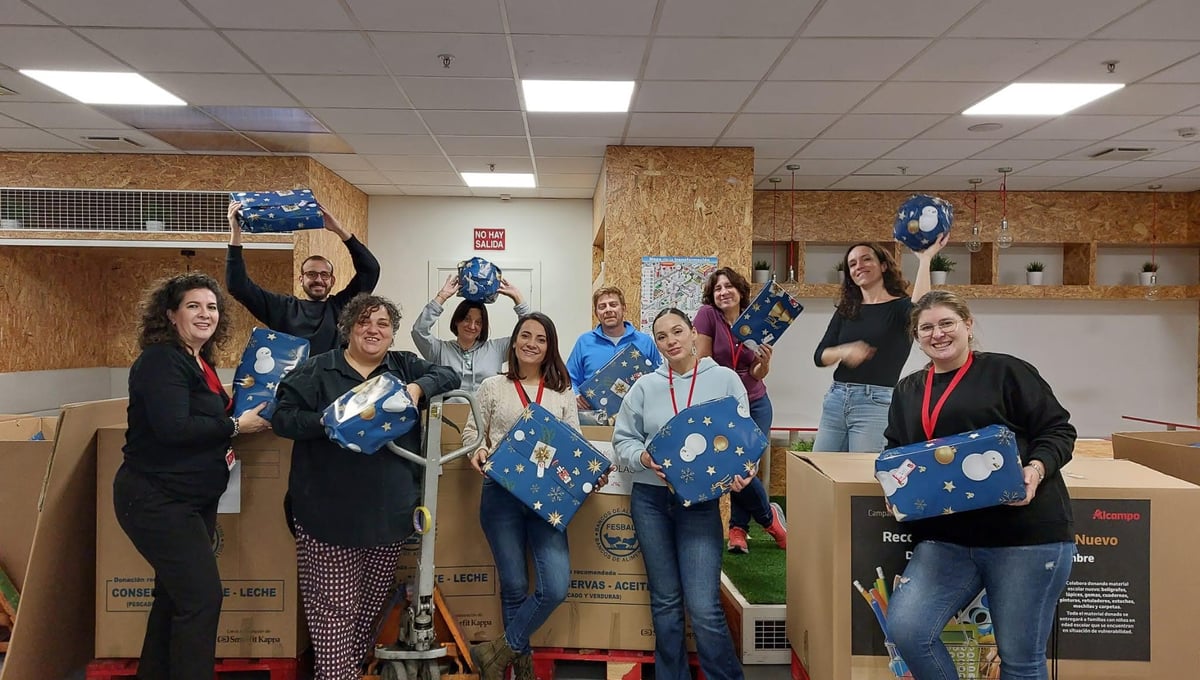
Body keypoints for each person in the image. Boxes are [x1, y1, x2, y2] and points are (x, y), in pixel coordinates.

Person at [883, 290, 1076, 680]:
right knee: (908, 630)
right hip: (947, 539)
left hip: (1024, 537)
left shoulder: (1006, 372)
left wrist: (1035, 470)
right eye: (926, 328)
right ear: (917, 337)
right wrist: (893, 487)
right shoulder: (908, 389)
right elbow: (896, 449)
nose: (938, 334)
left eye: (947, 323)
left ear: (968, 326)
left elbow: (1058, 430)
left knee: (1020, 660)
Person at [271, 294, 460, 680]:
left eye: (383, 324)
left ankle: (347, 671)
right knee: (335, 612)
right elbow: (283, 418)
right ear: (348, 329)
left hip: (389, 517)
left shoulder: (402, 366)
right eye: (364, 322)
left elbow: (448, 375)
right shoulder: (318, 370)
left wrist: (417, 389)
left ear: (392, 333)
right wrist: (328, 422)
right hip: (329, 517)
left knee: (370, 607)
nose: (373, 330)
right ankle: (335, 675)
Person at [113, 273, 271, 680]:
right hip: (157, 497)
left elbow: (206, 417)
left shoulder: (199, 362)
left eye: (212, 307)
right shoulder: (161, 360)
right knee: (202, 599)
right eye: (193, 306)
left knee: (173, 598)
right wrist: (235, 425)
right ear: (170, 314)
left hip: (192, 498)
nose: (205, 314)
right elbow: (174, 428)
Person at [611, 307, 752, 680]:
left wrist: (744, 470)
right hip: (651, 500)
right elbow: (623, 440)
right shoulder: (645, 387)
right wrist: (642, 457)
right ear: (656, 344)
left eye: (677, 331)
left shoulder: (723, 379)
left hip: (700, 503)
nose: (670, 341)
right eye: (661, 336)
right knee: (665, 602)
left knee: (704, 606)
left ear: (692, 333)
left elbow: (744, 436)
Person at [462, 312, 590, 680]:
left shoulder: (561, 391)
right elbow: (473, 434)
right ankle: (520, 670)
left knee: (556, 587)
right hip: (501, 494)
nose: (532, 344)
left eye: (541, 338)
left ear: (550, 347)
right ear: (514, 340)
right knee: (515, 586)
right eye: (525, 336)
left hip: (548, 499)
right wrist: (478, 451)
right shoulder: (492, 386)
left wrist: (588, 472)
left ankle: (497, 651)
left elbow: (575, 442)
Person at [812, 236, 945, 453]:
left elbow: (923, 310)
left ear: (883, 266)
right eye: (852, 264)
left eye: (866, 259)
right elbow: (819, 356)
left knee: (862, 470)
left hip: (875, 401)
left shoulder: (900, 308)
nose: (859, 266)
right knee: (820, 466)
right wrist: (843, 351)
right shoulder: (847, 310)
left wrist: (925, 259)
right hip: (836, 398)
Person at [693, 268, 786, 554]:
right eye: (718, 288)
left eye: (729, 286)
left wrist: (764, 362)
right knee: (735, 466)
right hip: (724, 406)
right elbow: (704, 362)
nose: (724, 292)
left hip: (756, 403)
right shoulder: (707, 315)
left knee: (745, 467)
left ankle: (738, 529)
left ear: (740, 291)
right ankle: (770, 520)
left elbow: (757, 373)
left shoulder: (757, 320)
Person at [225, 200, 381, 355]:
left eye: (324, 275)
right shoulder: (283, 309)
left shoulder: (343, 307)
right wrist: (236, 232)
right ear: (301, 279)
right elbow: (238, 286)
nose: (318, 280)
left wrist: (339, 230)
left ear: (332, 281)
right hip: (295, 372)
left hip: (336, 372)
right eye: (311, 274)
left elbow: (371, 270)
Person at [411, 273, 532, 393]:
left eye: (478, 322)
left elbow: (531, 334)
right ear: (457, 321)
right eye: (467, 319)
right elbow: (419, 331)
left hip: (487, 405)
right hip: (449, 406)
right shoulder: (439, 350)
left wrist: (518, 298)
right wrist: (442, 296)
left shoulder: (497, 349)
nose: (472, 326)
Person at [566, 286, 661, 411]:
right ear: (596, 313)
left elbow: (658, 377)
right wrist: (576, 395)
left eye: (613, 305)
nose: (608, 310)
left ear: (624, 308)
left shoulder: (645, 341)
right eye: (602, 307)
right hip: (595, 417)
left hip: (638, 415)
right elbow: (569, 379)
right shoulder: (584, 342)